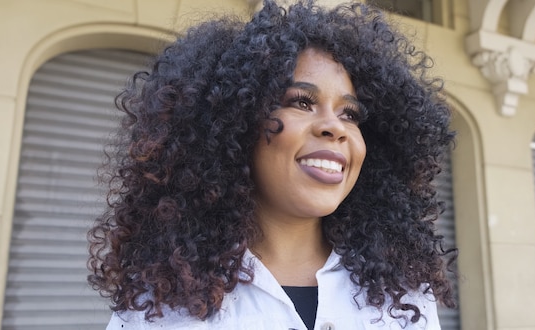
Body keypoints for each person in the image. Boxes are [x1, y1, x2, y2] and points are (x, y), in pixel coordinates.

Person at [88, 0, 456, 329]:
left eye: (350, 113)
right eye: (301, 102)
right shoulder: (161, 306)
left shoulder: (404, 294)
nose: (335, 127)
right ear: (234, 123)